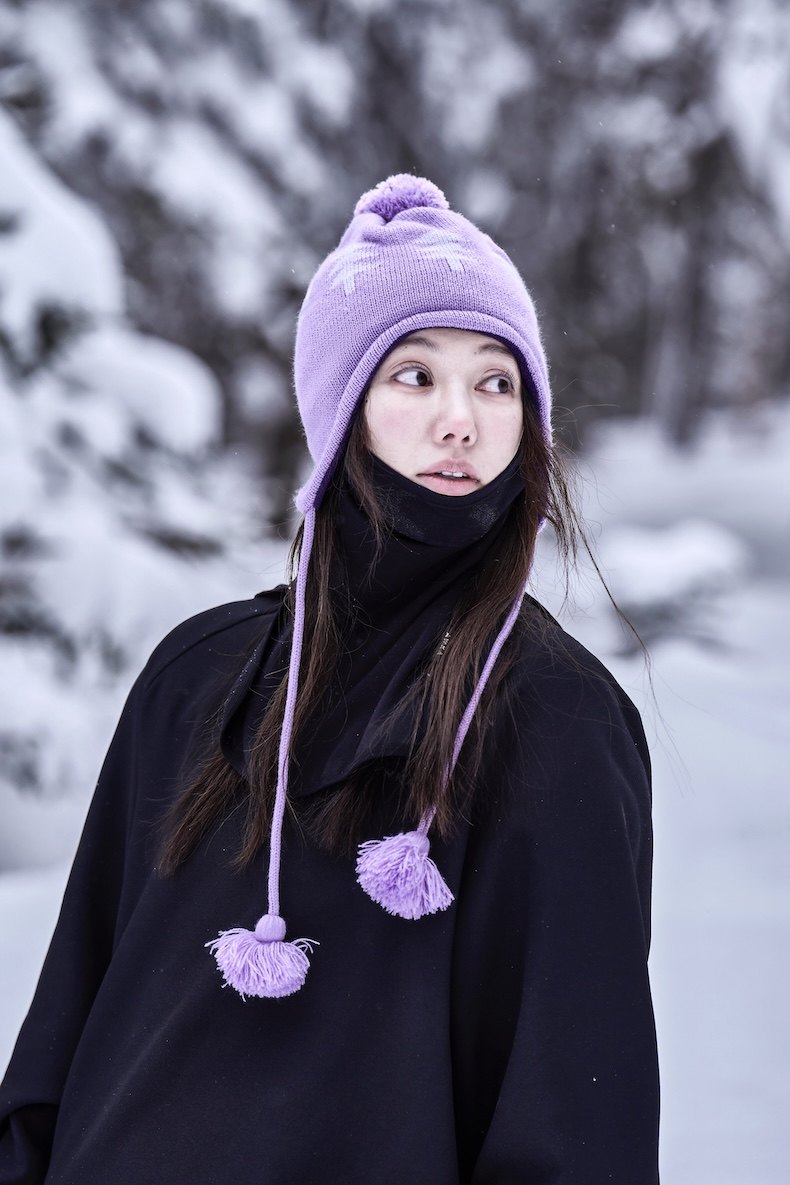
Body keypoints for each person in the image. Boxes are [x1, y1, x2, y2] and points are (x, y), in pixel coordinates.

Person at [0, 174, 660, 1183]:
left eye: (496, 383)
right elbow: (62, 1037)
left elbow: (573, 1120)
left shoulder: (557, 718)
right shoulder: (198, 675)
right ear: (339, 403)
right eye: (414, 375)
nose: (461, 420)